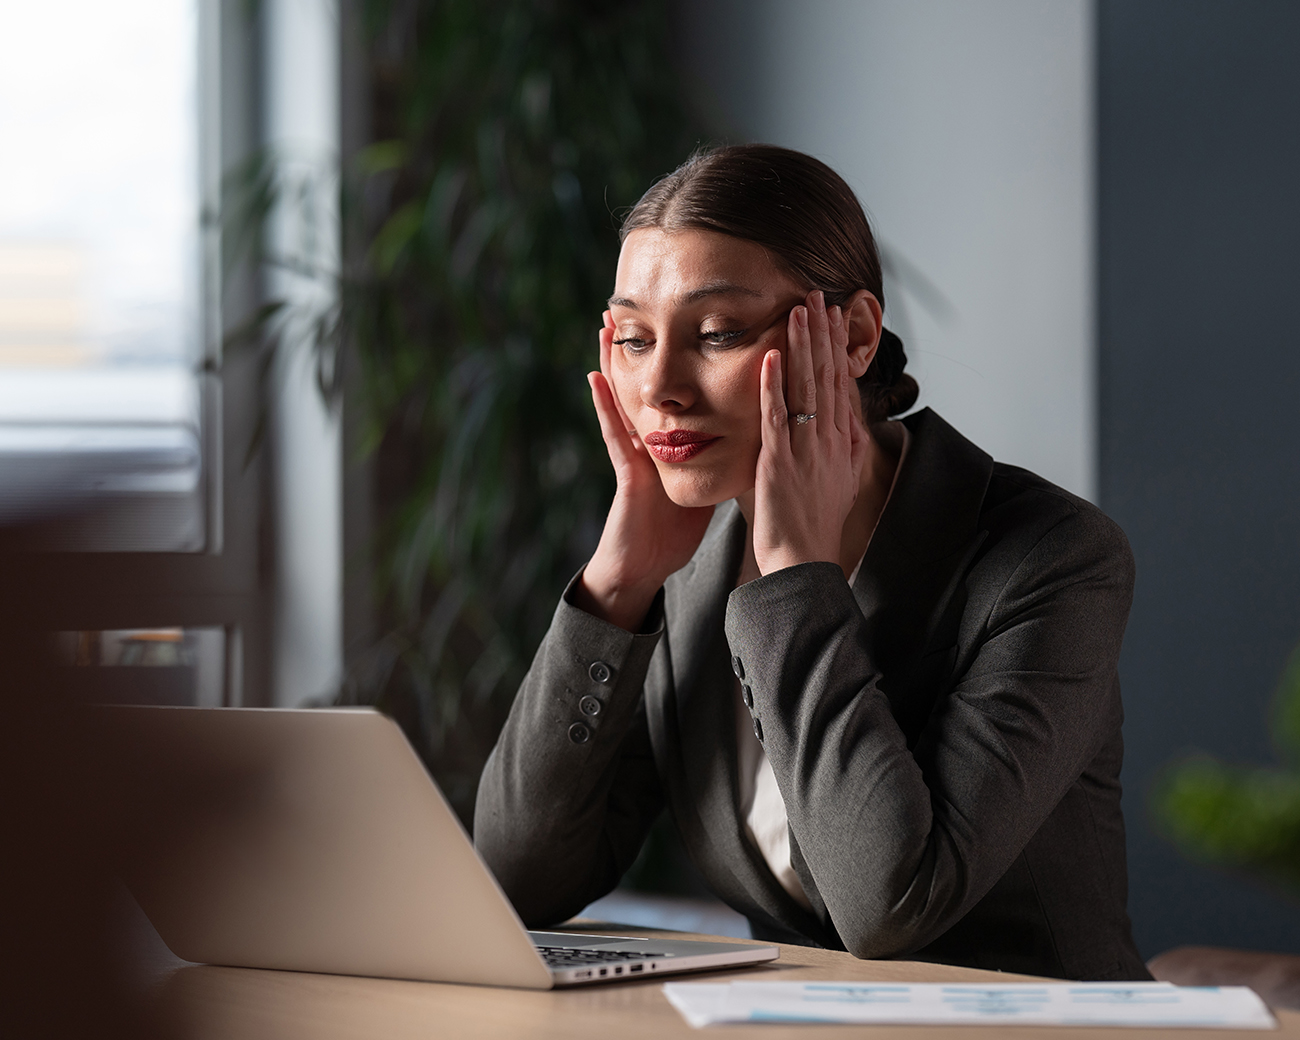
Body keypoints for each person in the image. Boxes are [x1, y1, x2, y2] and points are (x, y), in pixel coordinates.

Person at [474, 144, 1148, 981]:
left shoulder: (1052, 559)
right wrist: (617, 584)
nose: (660, 387)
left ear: (854, 335)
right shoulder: (683, 578)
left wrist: (796, 582)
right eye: (636, 339)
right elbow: (517, 881)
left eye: (716, 333)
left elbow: (888, 904)